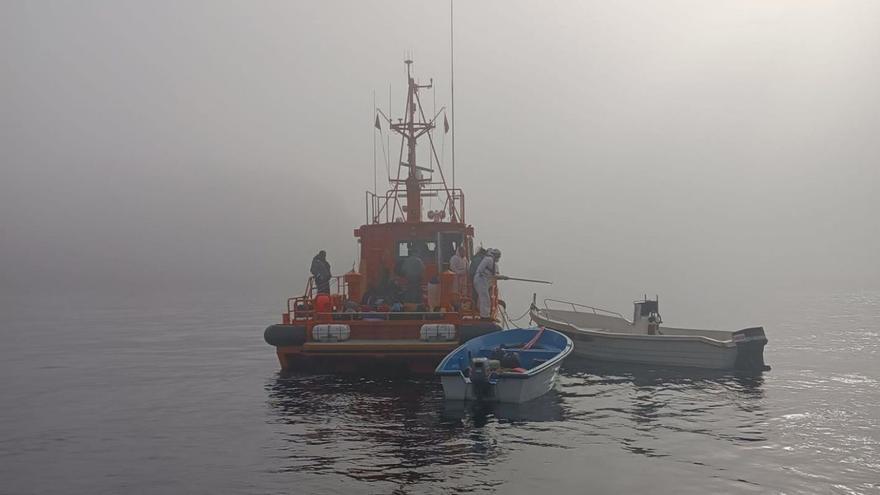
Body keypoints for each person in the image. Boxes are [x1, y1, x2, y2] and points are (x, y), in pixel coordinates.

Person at [473, 248, 500, 318]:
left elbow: (494, 274)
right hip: (481, 280)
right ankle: (484, 316)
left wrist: (501, 277)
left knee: (482, 298)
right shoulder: (488, 259)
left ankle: (482, 313)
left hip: (483, 281)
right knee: (485, 298)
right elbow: (481, 270)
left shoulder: (491, 261)